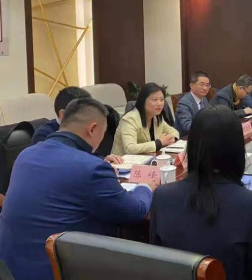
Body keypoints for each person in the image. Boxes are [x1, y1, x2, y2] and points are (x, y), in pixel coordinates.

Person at [0, 98, 153, 280]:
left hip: (11, 267)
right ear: (92, 129)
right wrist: (145, 186)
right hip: (55, 269)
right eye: (103, 132)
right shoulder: (91, 168)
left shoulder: (25, 155)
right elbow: (136, 211)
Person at [150, 105, 252, 280]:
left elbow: (157, 262)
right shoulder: (251, 203)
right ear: (237, 148)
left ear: (192, 146)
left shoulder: (162, 196)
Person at [111, 83, 179, 156]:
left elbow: (174, 132)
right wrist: (159, 143)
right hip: (123, 161)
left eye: (162, 100)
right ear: (143, 101)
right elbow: (130, 148)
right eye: (155, 100)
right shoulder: (130, 119)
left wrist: (170, 139)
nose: (159, 103)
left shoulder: (156, 117)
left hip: (147, 158)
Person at [174, 71, 211, 136]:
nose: (205, 88)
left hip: (202, 136)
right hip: (186, 138)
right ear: (191, 85)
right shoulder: (184, 103)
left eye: (207, 85)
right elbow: (187, 126)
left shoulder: (204, 99)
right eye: (201, 84)